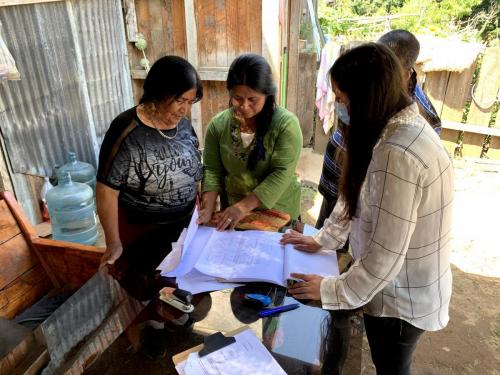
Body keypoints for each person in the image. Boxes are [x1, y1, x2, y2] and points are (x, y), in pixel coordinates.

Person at [282, 43, 453, 375]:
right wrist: (323, 239)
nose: (340, 108)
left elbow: (386, 256)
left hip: (400, 303)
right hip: (393, 287)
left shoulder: (399, 152)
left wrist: (329, 289)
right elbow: (353, 196)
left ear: (368, 97)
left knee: (390, 367)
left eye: (344, 99)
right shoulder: (390, 131)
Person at [96, 55, 203, 267]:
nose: (185, 110)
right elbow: (106, 189)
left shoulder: (183, 125)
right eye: (180, 101)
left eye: (190, 102)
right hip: (143, 234)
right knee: (143, 293)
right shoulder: (127, 130)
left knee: (183, 294)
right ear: (160, 93)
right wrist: (113, 242)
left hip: (186, 230)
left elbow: (194, 171)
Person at [198, 54, 303, 231]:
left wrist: (242, 207)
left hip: (276, 212)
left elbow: (281, 173)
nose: (244, 106)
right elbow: (212, 170)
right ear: (230, 93)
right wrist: (207, 209)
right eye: (237, 98)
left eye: (252, 99)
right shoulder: (218, 126)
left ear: (267, 95)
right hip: (232, 213)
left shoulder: (286, 125)